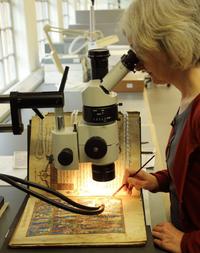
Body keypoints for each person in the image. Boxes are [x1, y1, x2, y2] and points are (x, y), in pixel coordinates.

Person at [121, 1, 200, 253]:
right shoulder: (188, 97)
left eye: (140, 49)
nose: (137, 62)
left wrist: (188, 243)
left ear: (169, 43)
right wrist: (157, 180)